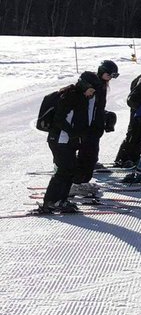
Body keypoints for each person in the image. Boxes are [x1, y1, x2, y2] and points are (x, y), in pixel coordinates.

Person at [38, 72, 101, 214]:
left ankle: (61, 200)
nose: (91, 93)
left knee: (70, 170)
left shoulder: (81, 97)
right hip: (60, 139)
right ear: (85, 85)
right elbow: (59, 119)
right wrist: (73, 133)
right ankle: (50, 201)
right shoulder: (71, 96)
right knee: (63, 171)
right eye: (91, 90)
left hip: (68, 141)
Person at [71, 59, 118, 201]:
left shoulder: (102, 86)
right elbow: (87, 107)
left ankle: (82, 182)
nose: (111, 78)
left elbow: (97, 108)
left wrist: (105, 116)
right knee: (86, 156)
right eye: (110, 75)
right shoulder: (92, 84)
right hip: (87, 128)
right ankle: (75, 183)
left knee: (91, 157)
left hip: (94, 128)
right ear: (102, 71)